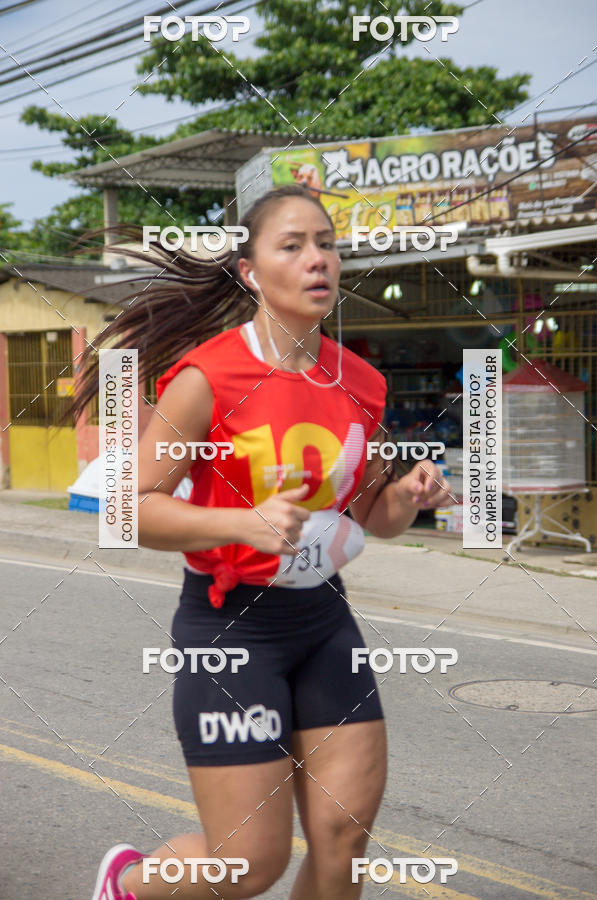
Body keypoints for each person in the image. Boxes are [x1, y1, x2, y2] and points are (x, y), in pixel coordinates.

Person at [75, 184, 450, 899]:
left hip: (323, 622)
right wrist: (239, 523)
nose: (318, 260)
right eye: (293, 246)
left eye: (327, 244)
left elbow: (372, 516)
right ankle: (127, 885)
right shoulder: (209, 379)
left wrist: (407, 496)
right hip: (230, 628)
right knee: (248, 864)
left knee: (341, 844)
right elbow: (131, 511)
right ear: (250, 272)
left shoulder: (362, 384)